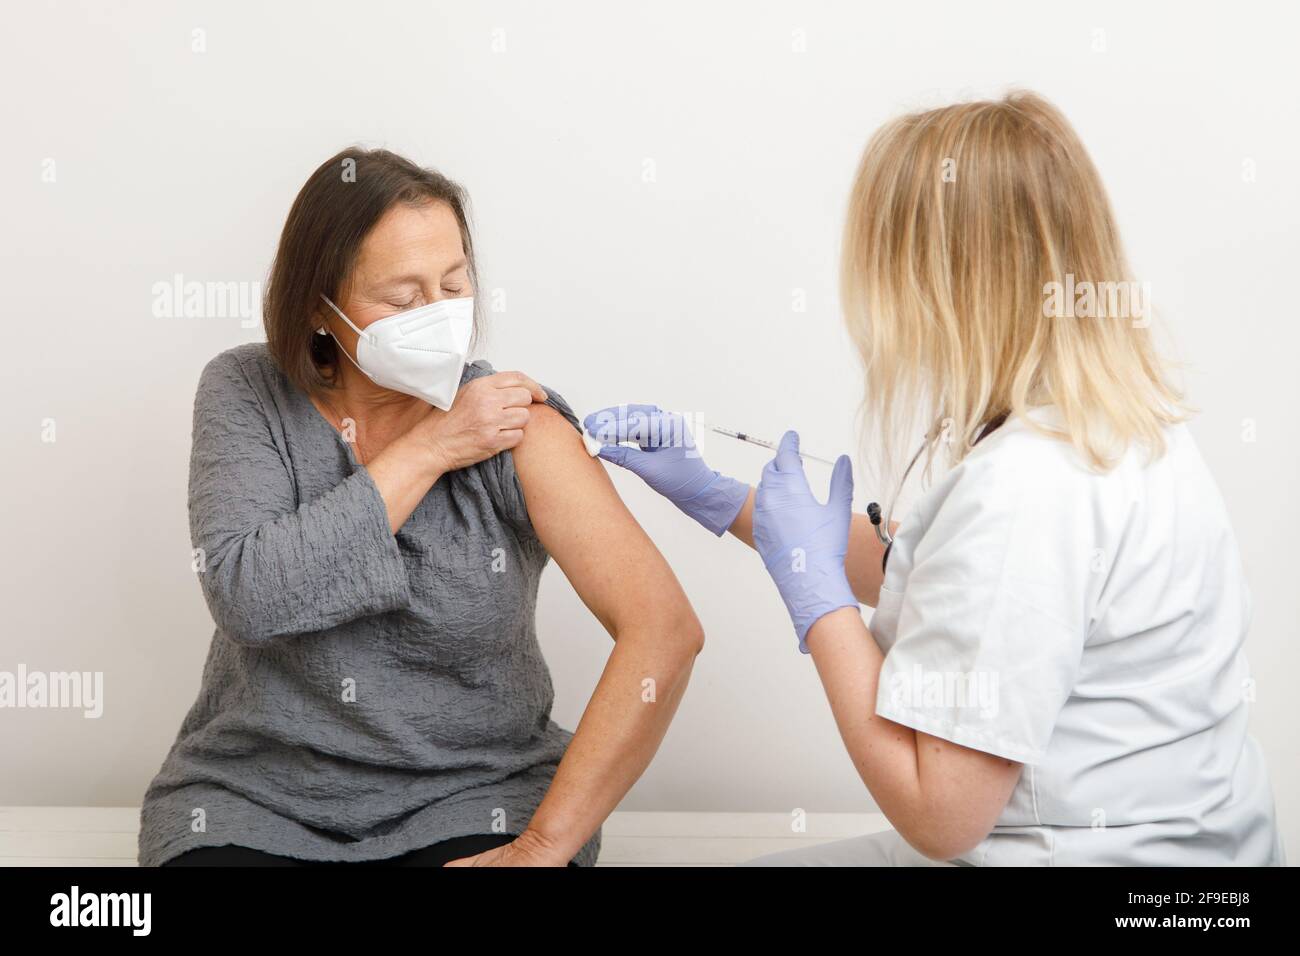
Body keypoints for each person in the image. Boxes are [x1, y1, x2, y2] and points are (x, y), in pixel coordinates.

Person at [586, 92, 1284, 866]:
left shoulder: (1027, 488)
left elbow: (941, 816)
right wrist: (722, 499)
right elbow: (948, 582)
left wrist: (817, 602)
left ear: (942, 278)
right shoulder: (1120, 420)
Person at [139, 148, 704, 867]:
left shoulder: (517, 426)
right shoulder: (247, 391)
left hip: (475, 794)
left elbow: (665, 630)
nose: (437, 315)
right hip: (257, 797)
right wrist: (432, 447)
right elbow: (250, 595)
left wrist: (542, 846)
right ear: (320, 306)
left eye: (454, 282)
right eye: (402, 300)